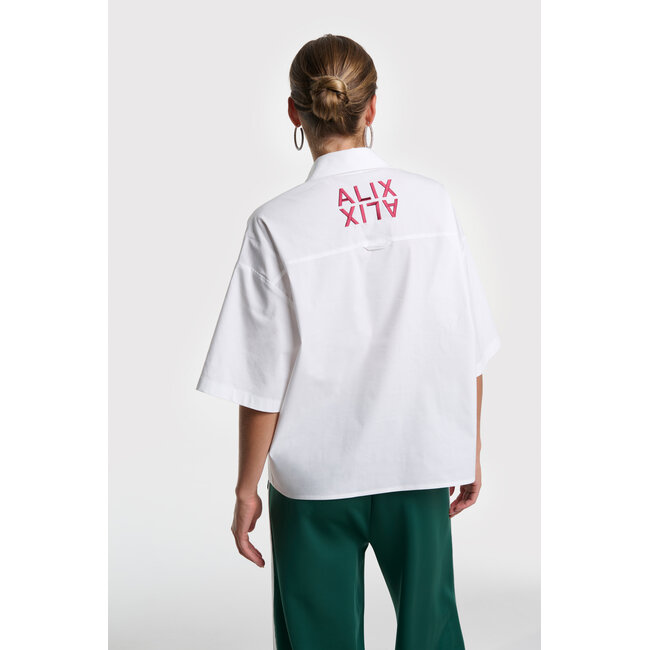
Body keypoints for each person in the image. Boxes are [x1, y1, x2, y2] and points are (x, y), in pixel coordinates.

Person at [196, 33, 501, 650]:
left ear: (294, 112)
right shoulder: (432, 204)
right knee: (432, 636)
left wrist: (246, 489)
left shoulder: (275, 224)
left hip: (315, 478)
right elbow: (463, 342)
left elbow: (262, 379)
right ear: (373, 106)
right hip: (418, 462)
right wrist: (467, 449)